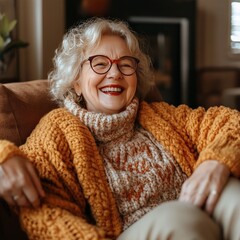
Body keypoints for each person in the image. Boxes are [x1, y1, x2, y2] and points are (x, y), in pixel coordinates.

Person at [0, 17, 239, 240]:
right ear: (76, 81)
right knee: (179, 218)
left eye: (126, 65)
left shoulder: (161, 116)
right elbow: (45, 212)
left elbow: (230, 122)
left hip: (194, 216)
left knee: (232, 194)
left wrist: (215, 162)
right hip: (139, 231)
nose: (114, 73)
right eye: (100, 64)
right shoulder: (56, 132)